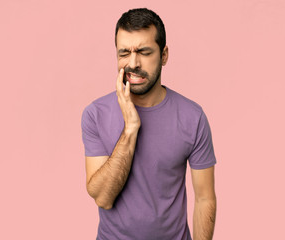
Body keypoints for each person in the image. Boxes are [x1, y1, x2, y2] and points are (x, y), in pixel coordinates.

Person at [81, 8, 217, 240]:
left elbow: (205, 198)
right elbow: (103, 197)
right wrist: (131, 128)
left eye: (144, 52)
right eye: (124, 53)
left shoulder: (192, 117)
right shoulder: (95, 114)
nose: (133, 63)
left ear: (164, 55)